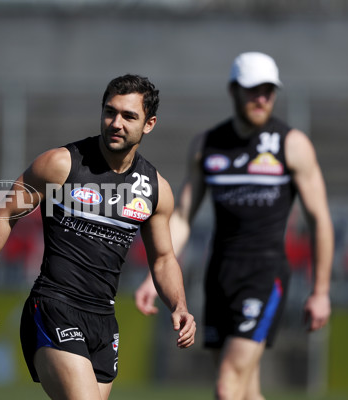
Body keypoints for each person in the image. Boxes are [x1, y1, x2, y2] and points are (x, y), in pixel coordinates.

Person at [0, 74, 196, 400]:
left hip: (104, 322)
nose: (116, 123)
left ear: (149, 124)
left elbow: (163, 258)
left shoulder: (156, 189)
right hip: (54, 306)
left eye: (129, 116)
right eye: (110, 112)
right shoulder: (61, 165)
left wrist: (179, 305)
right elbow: (4, 215)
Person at [135, 52, 334, 400]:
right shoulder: (206, 146)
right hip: (219, 276)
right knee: (245, 391)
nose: (261, 98)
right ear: (234, 91)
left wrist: (320, 291)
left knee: (227, 386)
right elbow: (182, 216)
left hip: (265, 275)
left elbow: (320, 220)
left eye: (268, 91)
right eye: (252, 90)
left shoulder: (292, 145)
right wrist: (155, 276)